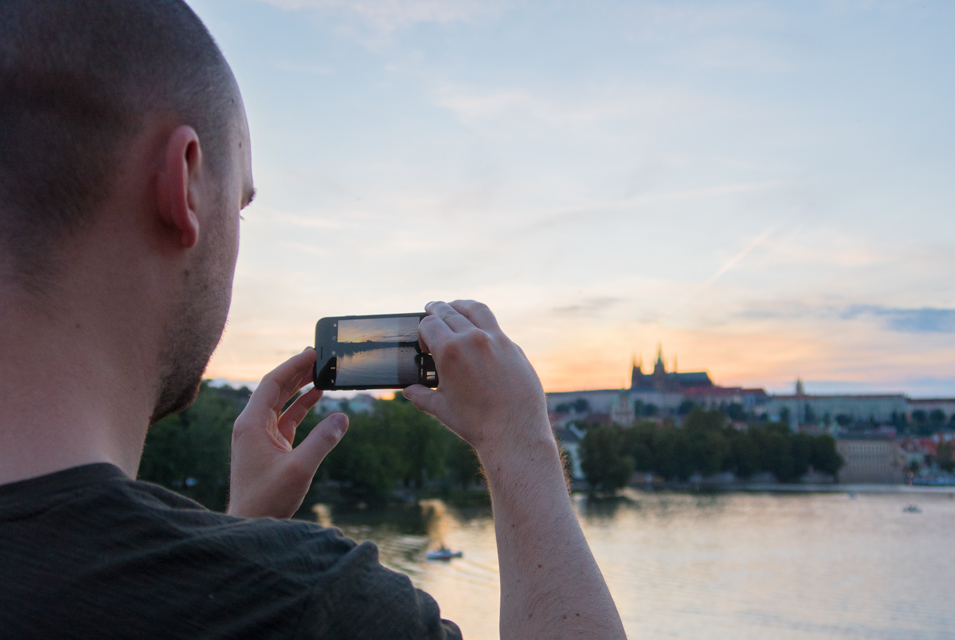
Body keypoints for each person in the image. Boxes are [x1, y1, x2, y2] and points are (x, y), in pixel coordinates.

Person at [0, 1, 626, 638]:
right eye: (238, 205)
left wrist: (240, 538)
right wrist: (522, 442)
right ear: (183, 182)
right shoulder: (312, 606)